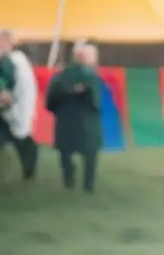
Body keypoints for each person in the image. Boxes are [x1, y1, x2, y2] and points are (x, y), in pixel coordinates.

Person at [46, 42, 102, 192]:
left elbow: (50, 100)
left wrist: (57, 108)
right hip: (87, 122)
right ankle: (88, 185)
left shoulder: (60, 75)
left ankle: (68, 178)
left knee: (65, 151)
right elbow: (95, 102)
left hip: (65, 119)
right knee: (90, 154)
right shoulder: (91, 76)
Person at [0, 30, 39, 180]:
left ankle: (29, 170)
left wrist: (8, 97)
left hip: (13, 109)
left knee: (22, 140)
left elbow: (19, 87)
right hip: (6, 109)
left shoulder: (16, 61)